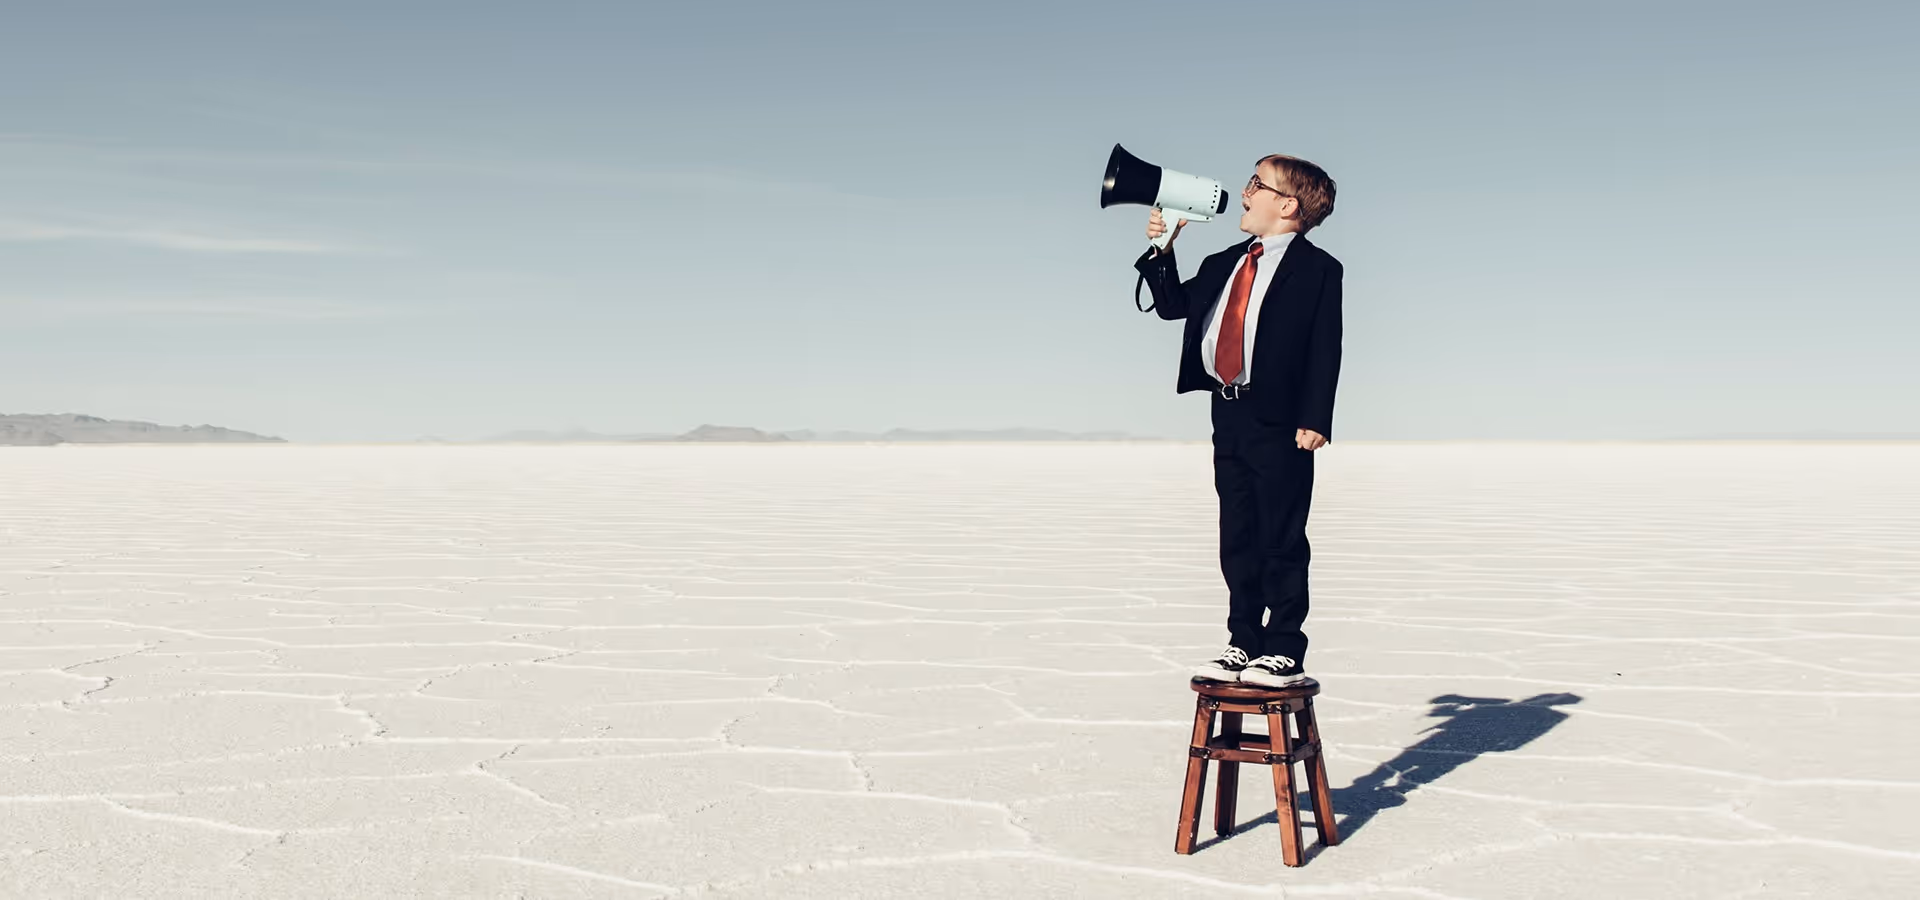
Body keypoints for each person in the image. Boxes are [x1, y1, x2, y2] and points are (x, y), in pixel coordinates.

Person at [1132, 154, 1342, 688]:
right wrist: (1162, 248)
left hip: (1283, 419)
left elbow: (1325, 349)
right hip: (1228, 412)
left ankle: (1283, 647)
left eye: (1256, 184)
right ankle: (1243, 639)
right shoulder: (1225, 260)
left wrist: (1316, 416)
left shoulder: (1318, 270)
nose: (1243, 192)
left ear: (1287, 205)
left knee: (1282, 533)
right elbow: (1172, 306)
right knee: (1239, 533)